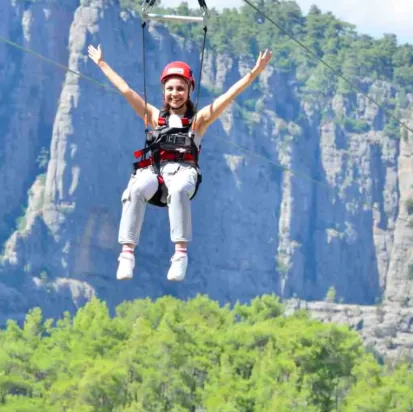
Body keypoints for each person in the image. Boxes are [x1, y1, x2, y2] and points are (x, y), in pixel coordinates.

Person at [87, 44, 273, 282]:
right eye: (170, 89)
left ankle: (180, 254)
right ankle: (127, 253)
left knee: (177, 189)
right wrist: (102, 63)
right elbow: (126, 91)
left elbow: (229, 96)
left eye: (180, 89)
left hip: (184, 173)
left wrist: (254, 73)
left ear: (189, 90)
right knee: (134, 188)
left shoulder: (199, 121)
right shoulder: (155, 117)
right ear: (164, 92)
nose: (175, 93)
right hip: (157, 172)